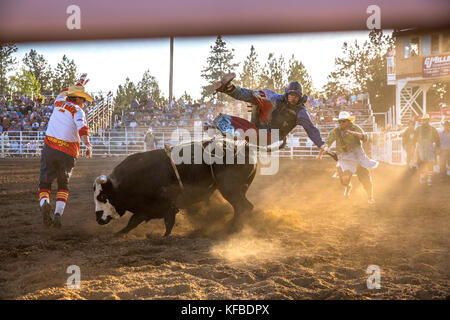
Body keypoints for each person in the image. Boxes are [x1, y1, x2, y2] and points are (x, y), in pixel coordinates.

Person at [214, 72, 328, 153]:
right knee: (261, 95)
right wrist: (259, 99)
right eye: (291, 95)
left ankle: (231, 134)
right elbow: (260, 95)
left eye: (296, 96)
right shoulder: (278, 98)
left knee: (262, 100)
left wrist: (321, 144)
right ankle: (229, 88)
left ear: (300, 97)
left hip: (273, 137)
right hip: (261, 126)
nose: (293, 98)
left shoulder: (301, 112)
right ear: (287, 94)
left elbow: (311, 129)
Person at [38, 74, 93, 228]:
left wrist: (79, 83)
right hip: (68, 152)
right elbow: (82, 128)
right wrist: (88, 145)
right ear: (77, 99)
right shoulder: (78, 111)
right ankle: (58, 213)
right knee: (63, 185)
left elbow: (63, 91)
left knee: (44, 182)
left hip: (50, 148)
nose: (84, 102)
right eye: (82, 98)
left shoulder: (58, 102)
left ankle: (45, 203)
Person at [316, 111, 378, 204]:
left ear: (349, 121)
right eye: (340, 121)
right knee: (344, 179)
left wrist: (355, 134)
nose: (341, 123)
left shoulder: (355, 128)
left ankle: (370, 197)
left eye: (343, 121)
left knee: (365, 178)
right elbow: (327, 143)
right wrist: (320, 154)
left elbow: (365, 138)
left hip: (358, 157)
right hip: (345, 159)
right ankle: (348, 186)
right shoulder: (335, 131)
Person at [413, 114, 440, 186]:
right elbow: (414, 139)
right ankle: (422, 177)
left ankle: (429, 178)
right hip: (420, 147)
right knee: (420, 162)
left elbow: (437, 139)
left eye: (426, 120)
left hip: (429, 147)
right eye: (424, 120)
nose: (425, 121)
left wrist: (437, 148)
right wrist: (414, 147)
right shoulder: (418, 129)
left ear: (429, 120)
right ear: (422, 121)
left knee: (430, 163)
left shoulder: (433, 129)